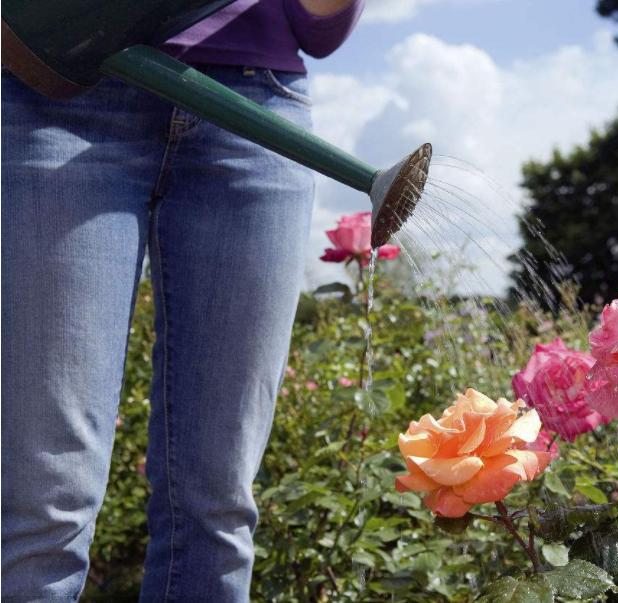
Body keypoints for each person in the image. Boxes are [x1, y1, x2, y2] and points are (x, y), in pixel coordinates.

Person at [1, 0, 363, 599]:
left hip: (253, 108)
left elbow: (320, 27)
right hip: (53, 79)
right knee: (45, 505)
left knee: (219, 511)